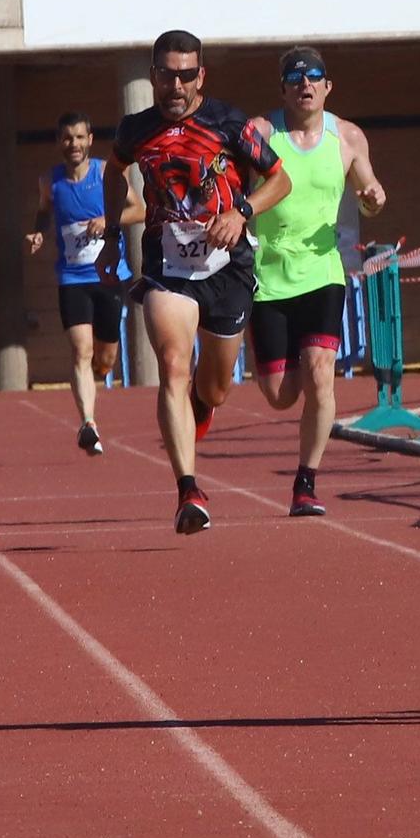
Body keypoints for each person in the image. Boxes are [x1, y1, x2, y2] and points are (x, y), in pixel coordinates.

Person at [96, 30, 291, 534]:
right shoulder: (135, 129)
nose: (176, 85)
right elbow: (114, 172)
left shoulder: (229, 123)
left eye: (186, 75)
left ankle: (200, 408)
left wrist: (242, 212)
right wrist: (115, 231)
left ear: (200, 75)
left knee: (217, 387)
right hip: (168, 269)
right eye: (166, 74)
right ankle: (188, 489)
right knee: (173, 366)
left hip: (228, 268)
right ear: (153, 76)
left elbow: (280, 179)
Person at [247, 47, 386, 516]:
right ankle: (264, 351)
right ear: (283, 88)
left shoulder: (347, 137)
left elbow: (371, 196)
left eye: (315, 77)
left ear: (328, 86)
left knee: (321, 374)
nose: (305, 85)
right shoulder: (262, 133)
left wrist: (372, 199)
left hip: (324, 271)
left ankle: (306, 482)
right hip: (269, 274)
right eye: (295, 78)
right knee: (280, 395)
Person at [25, 110, 143, 456]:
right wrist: (38, 233)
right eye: (66, 138)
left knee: (105, 359)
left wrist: (107, 219)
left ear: (90, 140)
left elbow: (141, 210)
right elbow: (45, 212)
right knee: (81, 350)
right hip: (71, 277)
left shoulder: (106, 172)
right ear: (58, 142)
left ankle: (97, 376)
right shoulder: (50, 180)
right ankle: (88, 423)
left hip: (108, 275)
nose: (73, 144)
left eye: (79, 137)